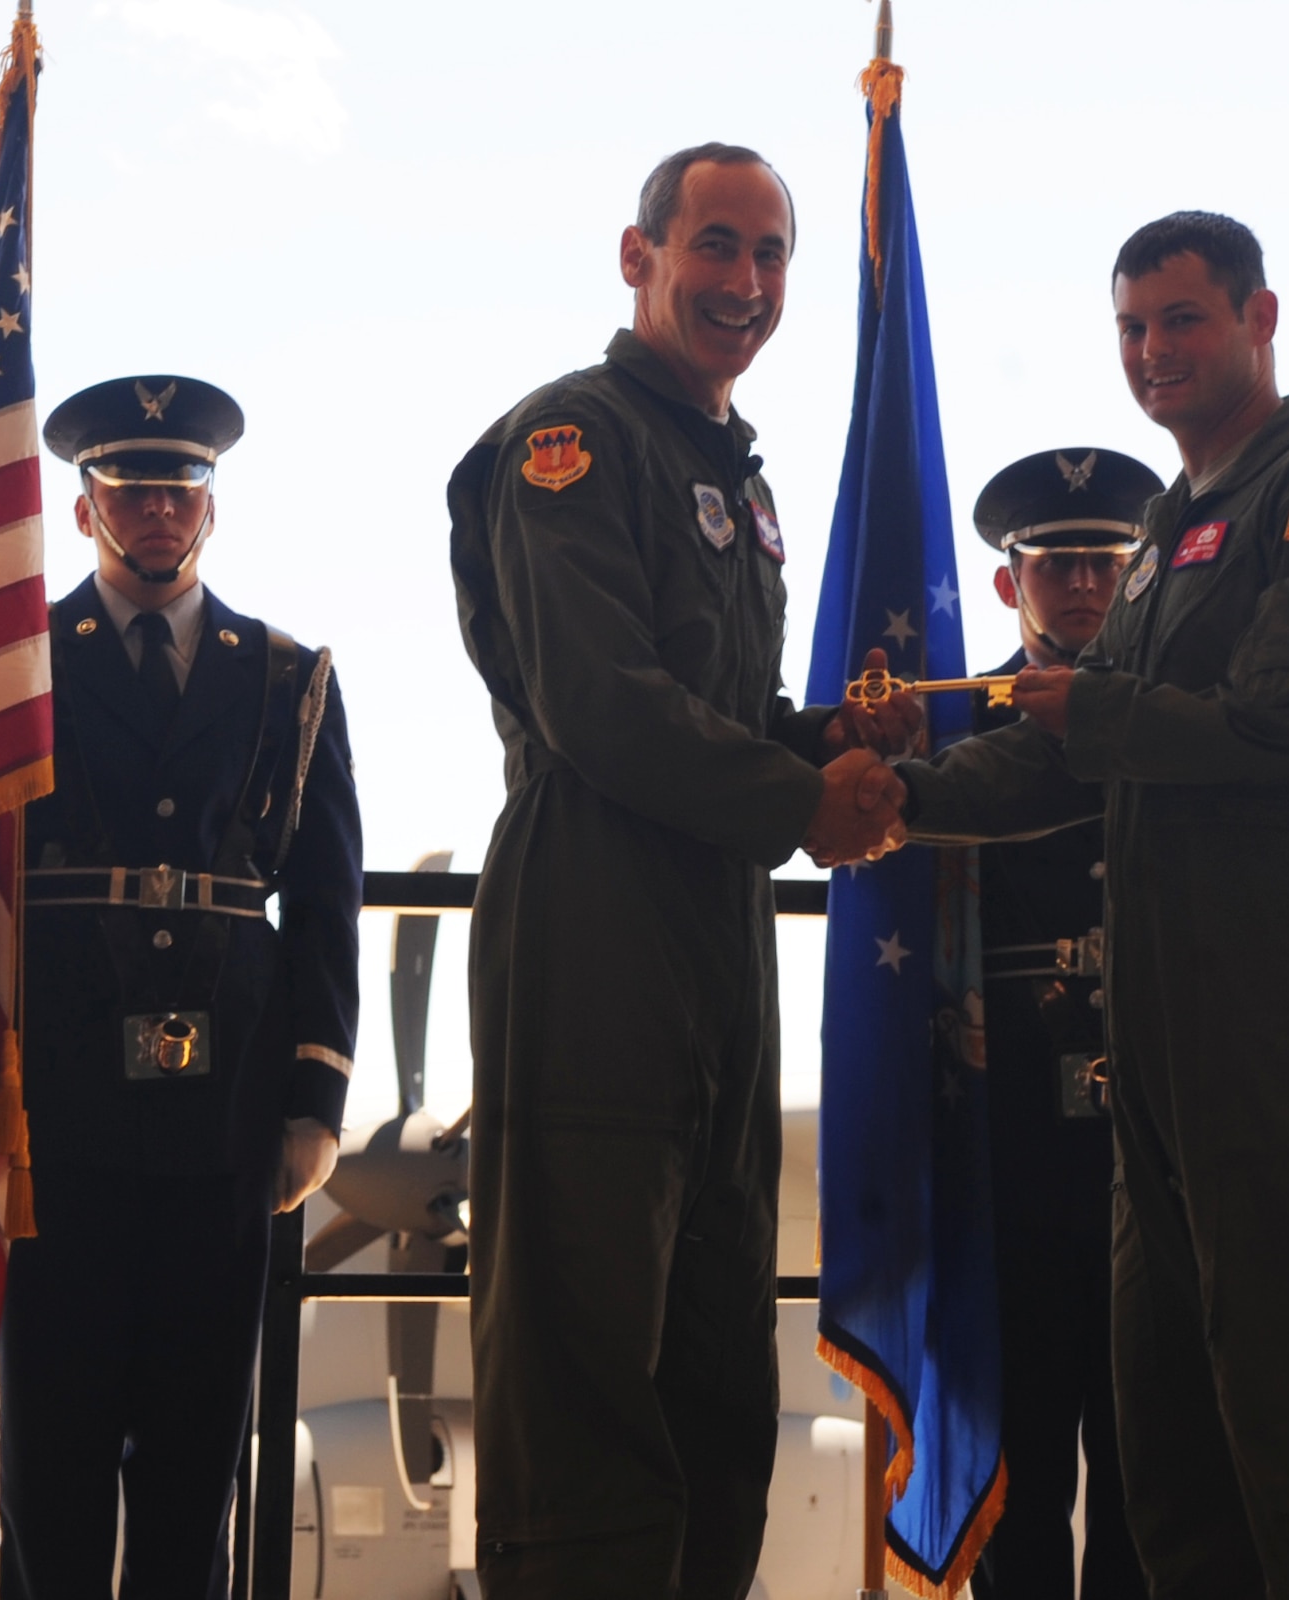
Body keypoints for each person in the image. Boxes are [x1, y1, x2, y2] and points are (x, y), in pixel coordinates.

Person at [895, 212, 1289, 1597]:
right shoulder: (1166, 537)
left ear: (1262, 319)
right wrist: (868, 789)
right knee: (1171, 1458)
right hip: (1156, 1050)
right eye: (1133, 328)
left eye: (1183, 320)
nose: (1153, 353)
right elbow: (1053, 752)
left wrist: (1103, 709)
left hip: (1279, 1027)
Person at [445, 143, 914, 1600]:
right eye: (717, 246)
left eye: (772, 256)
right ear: (639, 256)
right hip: (592, 916)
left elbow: (702, 710)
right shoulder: (570, 442)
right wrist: (798, 795)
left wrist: (827, 737)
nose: (748, 283)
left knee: (717, 1363)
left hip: (717, 926)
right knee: (585, 1366)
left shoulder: (733, 474)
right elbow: (599, 701)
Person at [3, 375, 361, 1596]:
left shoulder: (287, 677)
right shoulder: (15, 663)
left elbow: (323, 897)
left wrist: (315, 1094)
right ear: (82, 506)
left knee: (197, 1446)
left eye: (179, 489)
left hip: (227, 1113)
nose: (156, 510)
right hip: (50, 1108)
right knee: (50, 1448)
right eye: (129, 489)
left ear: (211, 507)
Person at [966, 448, 1159, 1600]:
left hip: (1146, 1139)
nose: (1081, 584)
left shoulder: (1173, 725)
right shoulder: (955, 737)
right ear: (1010, 585)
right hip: (1011, 1145)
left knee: (1145, 1477)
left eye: (1104, 560)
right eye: (1056, 564)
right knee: (1021, 1476)